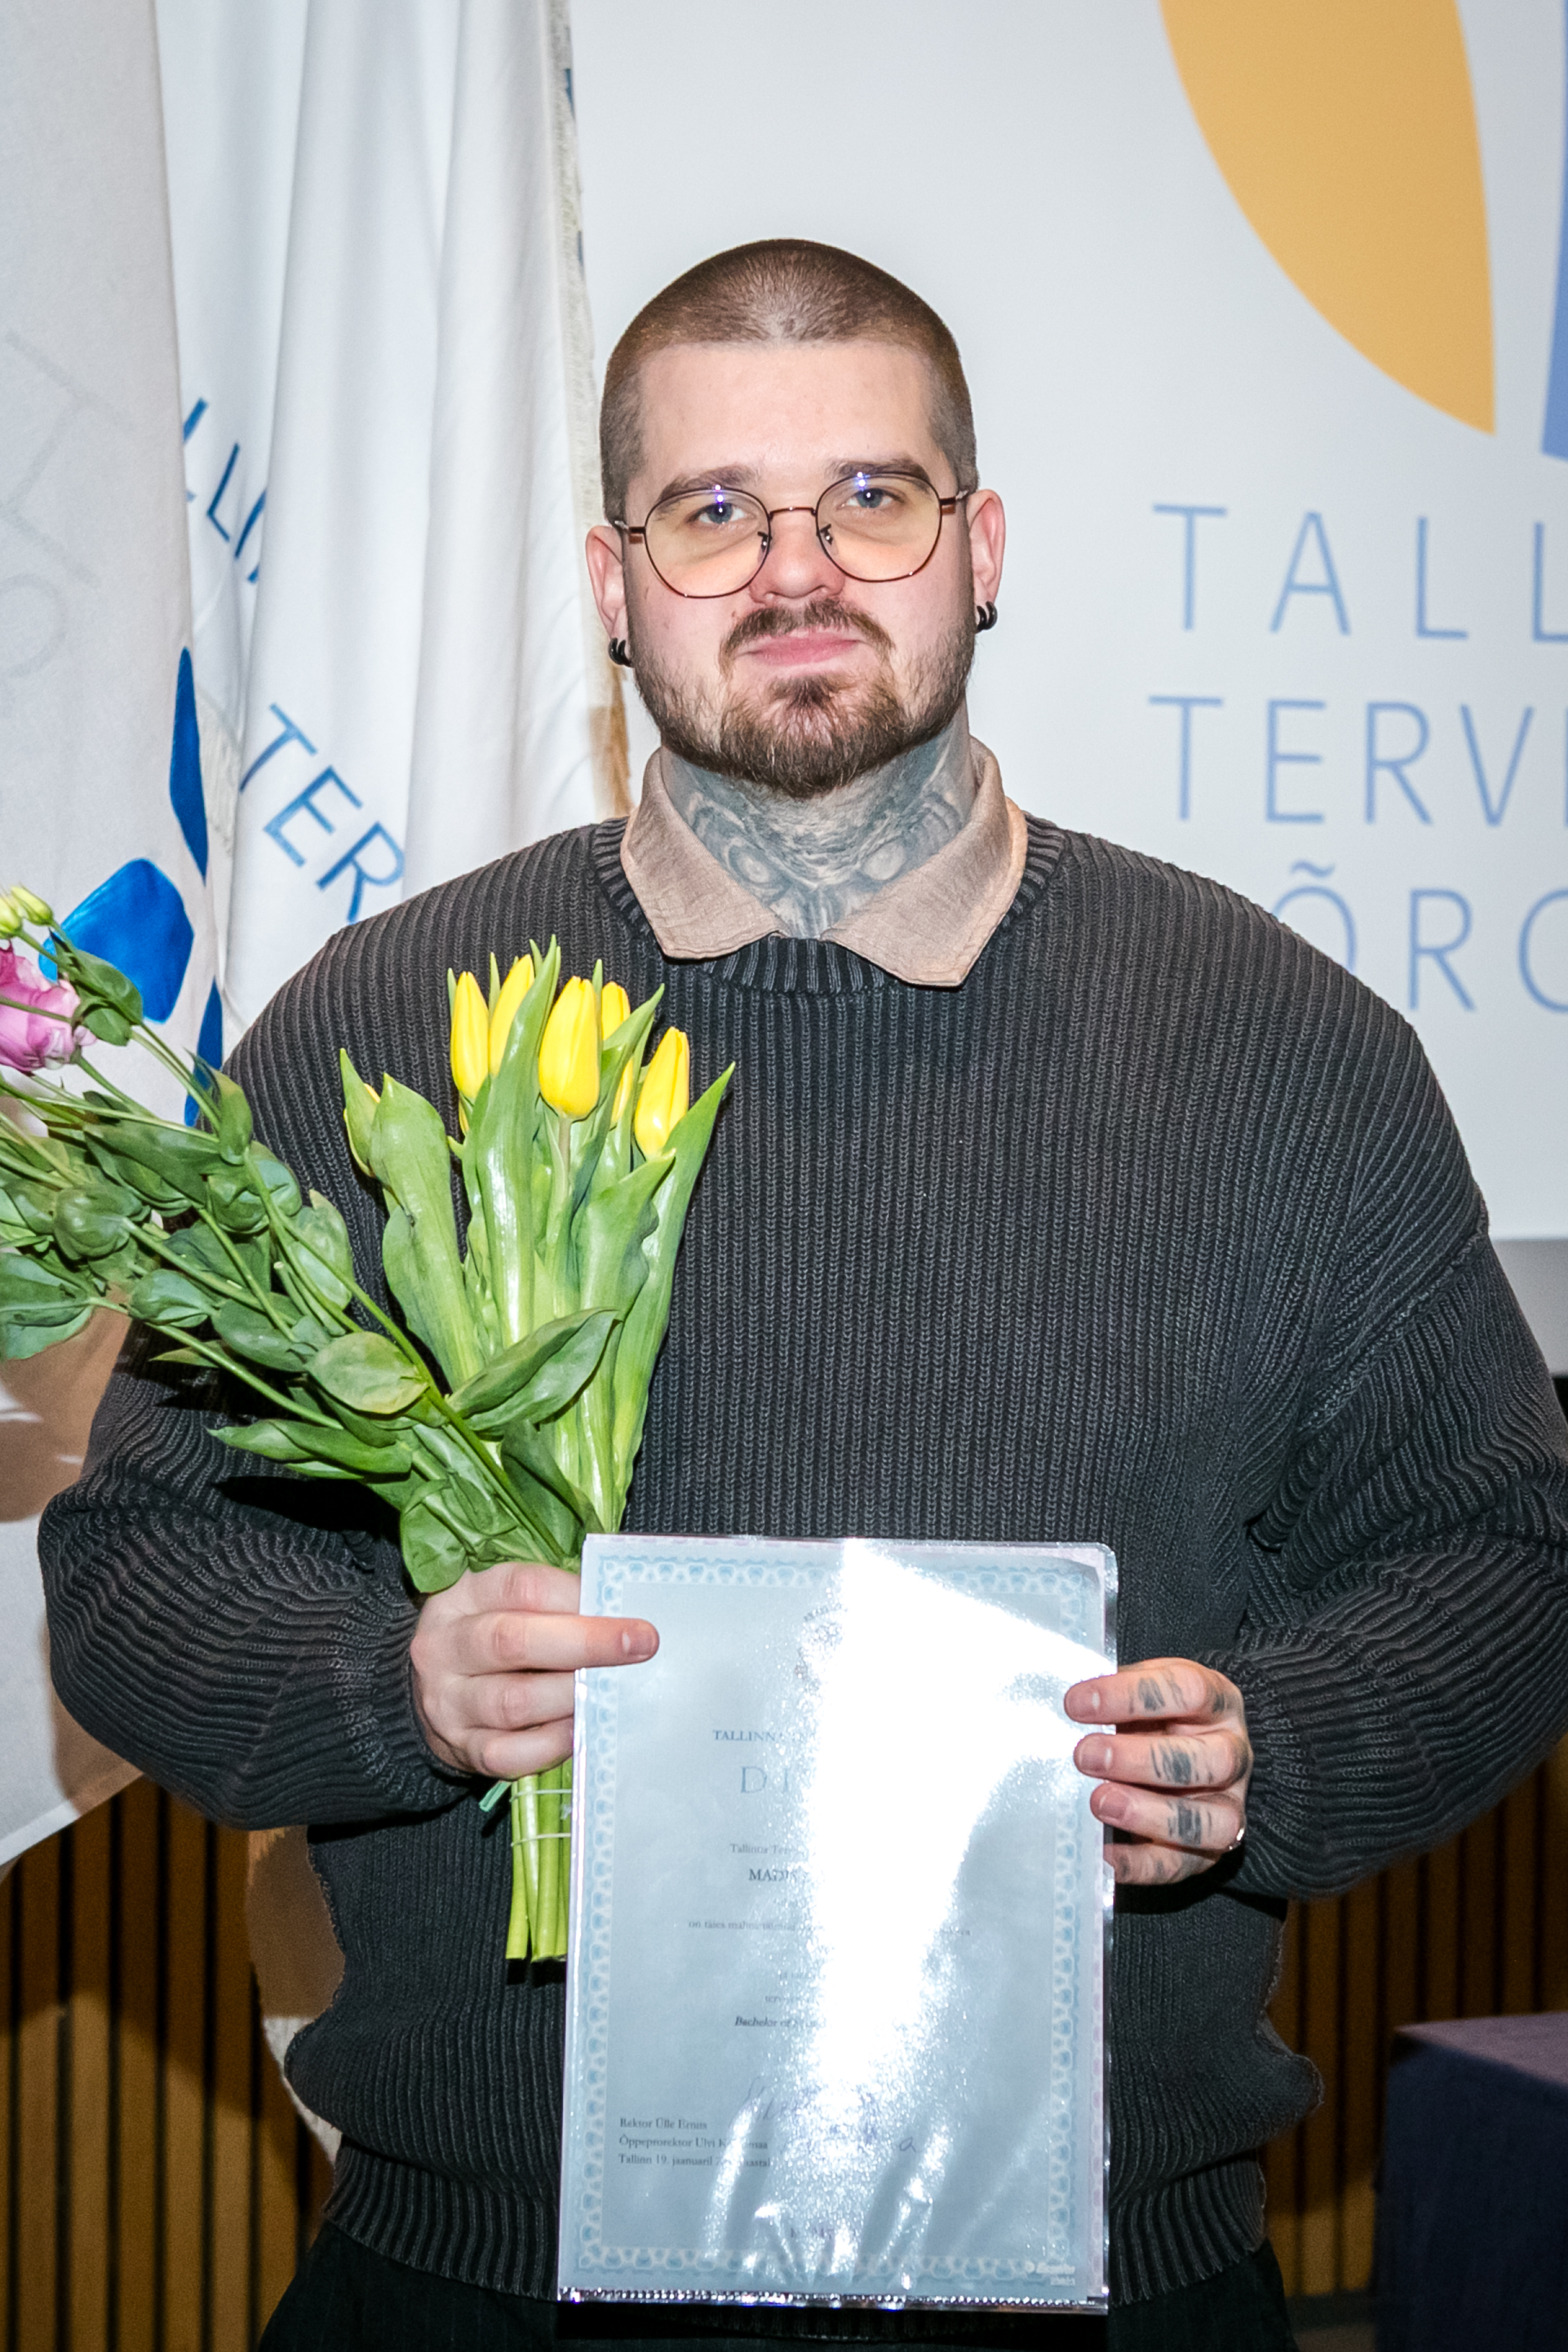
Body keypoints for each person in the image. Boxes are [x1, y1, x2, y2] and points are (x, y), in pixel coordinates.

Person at [40, 240, 1568, 2351]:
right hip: (478, 2286)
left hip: (1114, 2283)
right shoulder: (384, 1024)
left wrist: (1273, 1750)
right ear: (613, 583)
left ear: (981, 547)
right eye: (712, 510)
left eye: (870, 497)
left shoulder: (1278, 1049)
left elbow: (1496, 1557)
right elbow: (138, 1571)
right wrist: (399, 1687)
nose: (796, 568)